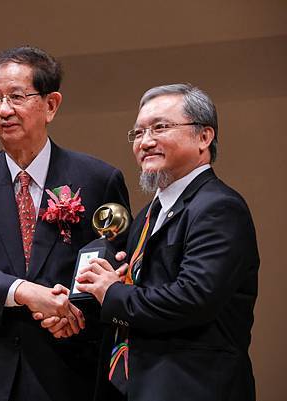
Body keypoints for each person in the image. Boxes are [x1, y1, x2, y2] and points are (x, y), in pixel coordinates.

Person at [0, 46, 131, 401]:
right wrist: (26, 292)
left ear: (51, 105)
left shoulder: (98, 179)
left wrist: (70, 313)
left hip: (69, 368)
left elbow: (115, 267)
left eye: (16, 96)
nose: (4, 109)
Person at [76, 83, 259, 401]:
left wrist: (114, 292)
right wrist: (84, 300)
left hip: (195, 387)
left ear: (204, 137)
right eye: (138, 133)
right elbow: (139, 294)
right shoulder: (148, 214)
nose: (145, 142)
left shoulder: (219, 207)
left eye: (160, 128)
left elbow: (192, 298)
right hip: (135, 386)